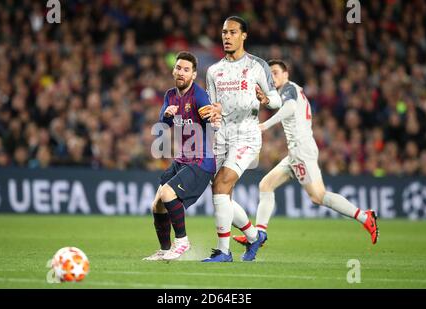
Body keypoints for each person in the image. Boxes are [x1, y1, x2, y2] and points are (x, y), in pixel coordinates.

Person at [233, 59, 379, 249]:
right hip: (297, 151)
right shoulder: (286, 91)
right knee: (266, 185)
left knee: (318, 196)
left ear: (286, 74)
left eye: (276, 72)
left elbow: (291, 107)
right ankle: (259, 234)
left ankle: (365, 217)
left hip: (301, 151)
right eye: (270, 74)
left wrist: (265, 125)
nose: (272, 76)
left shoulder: (288, 89)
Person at [202, 16, 282, 262]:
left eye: (233, 32)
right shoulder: (214, 71)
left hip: (246, 135)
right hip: (222, 136)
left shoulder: (257, 66)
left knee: (222, 184)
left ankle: (223, 252)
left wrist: (267, 100)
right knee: (220, 192)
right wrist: (210, 115)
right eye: (224, 32)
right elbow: (213, 107)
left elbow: (277, 100)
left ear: (244, 35)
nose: (227, 36)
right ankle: (253, 236)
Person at [143, 51, 221, 261]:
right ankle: (165, 250)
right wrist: (166, 115)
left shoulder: (199, 95)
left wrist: (213, 118)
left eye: (186, 70)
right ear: (173, 70)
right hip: (181, 160)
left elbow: (209, 118)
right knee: (157, 204)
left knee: (168, 193)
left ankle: (182, 241)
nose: (181, 72)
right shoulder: (170, 95)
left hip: (201, 161)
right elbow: (163, 122)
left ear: (194, 75)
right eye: (178, 68)